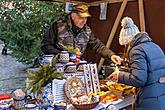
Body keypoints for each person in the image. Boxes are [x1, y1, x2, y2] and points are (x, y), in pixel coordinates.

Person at [107, 17, 165, 110]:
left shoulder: (136, 50)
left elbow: (139, 79)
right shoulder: (155, 46)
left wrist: (119, 76)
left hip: (148, 102)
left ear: (128, 41)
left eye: (125, 45)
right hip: (161, 98)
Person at [41, 3, 122, 64]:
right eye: (80, 17)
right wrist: (63, 55)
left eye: (85, 18)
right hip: (56, 68)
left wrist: (111, 55)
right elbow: (45, 46)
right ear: (72, 15)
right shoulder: (57, 26)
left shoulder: (87, 30)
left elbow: (97, 46)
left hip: (76, 68)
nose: (83, 20)